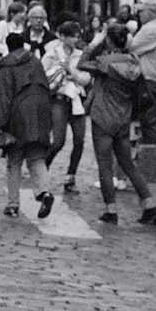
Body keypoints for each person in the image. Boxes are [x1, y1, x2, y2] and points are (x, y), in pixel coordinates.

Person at [79, 22, 156, 226]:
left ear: (108, 40)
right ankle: (149, 206)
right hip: (123, 118)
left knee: (105, 165)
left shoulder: (105, 62)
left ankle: (111, 210)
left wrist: (94, 43)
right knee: (128, 165)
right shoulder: (133, 61)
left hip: (103, 116)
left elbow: (82, 63)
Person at [0, 31, 55, 218]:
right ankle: (44, 192)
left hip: (18, 114)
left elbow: (4, 97)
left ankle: (13, 204)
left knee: (14, 161)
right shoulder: (35, 61)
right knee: (36, 157)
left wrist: (0, 123)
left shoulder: (6, 66)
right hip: (41, 111)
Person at [43, 21, 90, 192]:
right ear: (62, 37)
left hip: (77, 99)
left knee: (79, 140)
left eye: (77, 36)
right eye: (72, 36)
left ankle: (71, 176)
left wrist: (72, 72)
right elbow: (42, 76)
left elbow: (86, 78)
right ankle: (42, 170)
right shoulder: (52, 53)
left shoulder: (81, 55)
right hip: (59, 99)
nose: (76, 39)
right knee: (58, 141)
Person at [129, 0, 156, 169]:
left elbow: (130, 47)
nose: (139, 14)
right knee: (151, 123)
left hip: (150, 80)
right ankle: (153, 164)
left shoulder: (150, 30)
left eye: (142, 11)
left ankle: (154, 167)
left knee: (150, 124)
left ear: (151, 12)